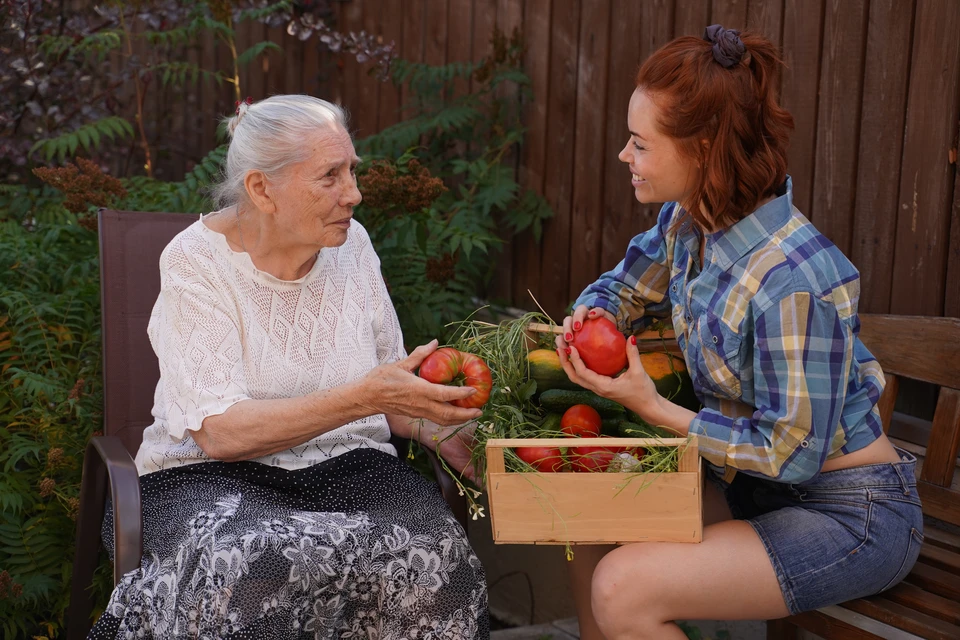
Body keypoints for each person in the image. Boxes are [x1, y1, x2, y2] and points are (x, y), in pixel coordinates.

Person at [555, 26, 923, 640]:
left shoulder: (791, 280)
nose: (625, 156)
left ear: (701, 151)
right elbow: (622, 288)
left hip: (848, 513)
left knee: (622, 590)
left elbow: (793, 452)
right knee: (586, 507)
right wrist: (594, 322)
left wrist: (652, 408)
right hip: (756, 490)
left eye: (640, 144)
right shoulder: (688, 222)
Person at [90, 95, 489, 639]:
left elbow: (393, 394)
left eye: (352, 170)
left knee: (440, 561)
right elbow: (222, 434)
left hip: (350, 470)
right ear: (261, 189)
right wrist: (367, 398)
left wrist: (462, 441)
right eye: (330, 175)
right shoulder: (195, 261)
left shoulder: (354, 246)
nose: (354, 193)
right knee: (256, 562)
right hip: (206, 479)